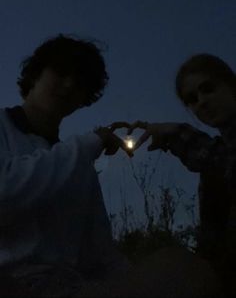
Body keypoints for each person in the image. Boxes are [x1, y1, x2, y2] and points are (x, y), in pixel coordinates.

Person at [0, 34, 134, 297]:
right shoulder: (79, 152)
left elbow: (99, 252)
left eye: (81, 82)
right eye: (61, 72)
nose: (69, 84)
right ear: (35, 75)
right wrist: (88, 145)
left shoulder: (77, 162)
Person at [111, 53, 236, 297]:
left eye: (207, 89)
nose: (201, 102)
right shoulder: (216, 159)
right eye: (192, 99)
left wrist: (178, 133)